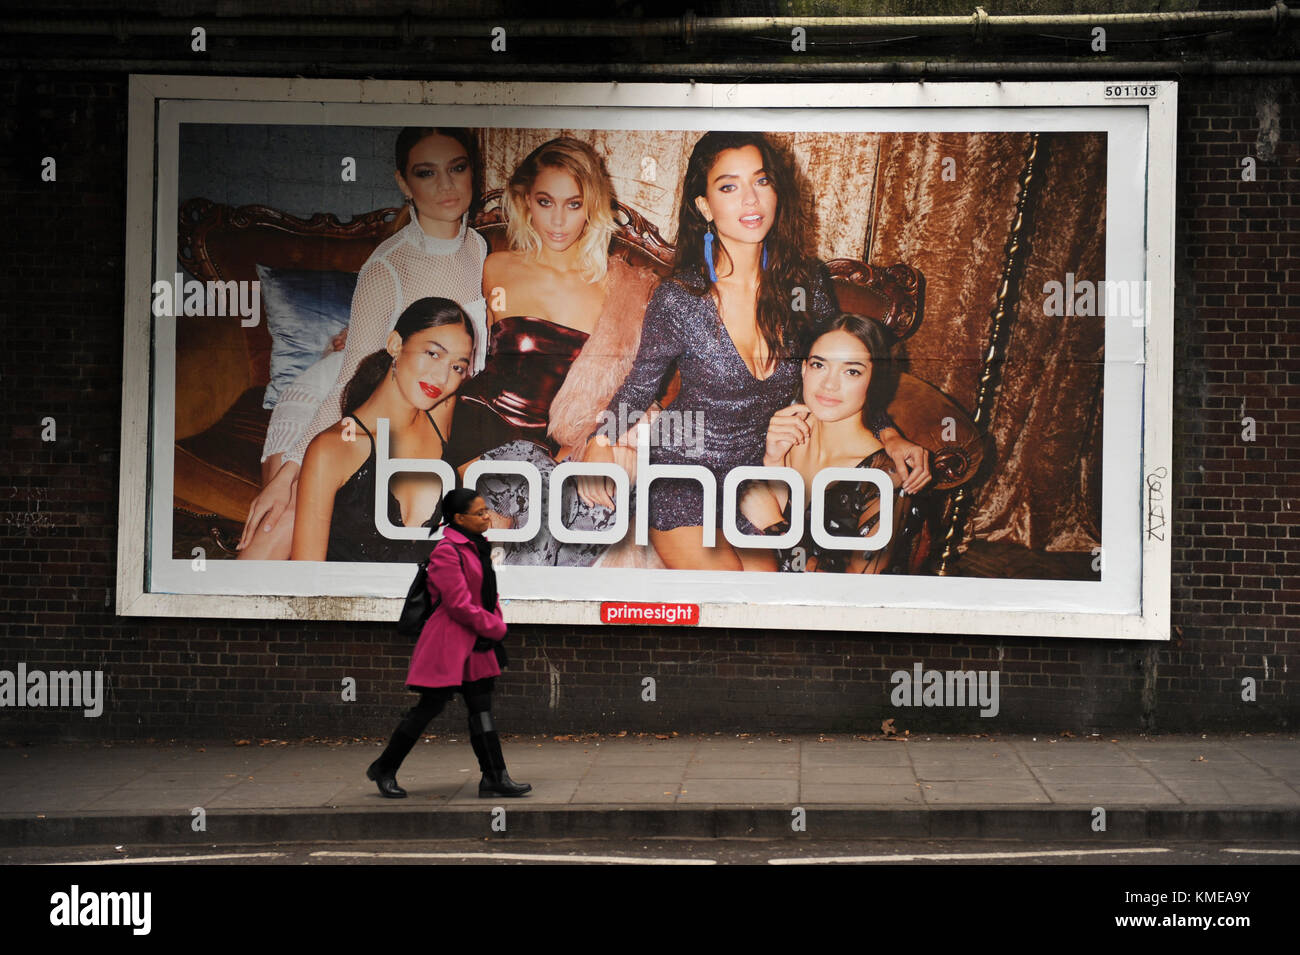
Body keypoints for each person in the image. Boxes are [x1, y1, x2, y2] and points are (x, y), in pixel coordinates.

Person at [578, 130, 931, 571]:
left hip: (758, 478)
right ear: (704, 205)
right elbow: (639, 383)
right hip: (684, 473)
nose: (751, 200)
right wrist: (600, 440)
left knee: (767, 589)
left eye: (761, 182)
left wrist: (890, 435)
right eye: (729, 186)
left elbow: (839, 372)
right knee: (725, 586)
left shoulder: (805, 284)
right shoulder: (680, 298)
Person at [238, 126, 490, 560]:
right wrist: (287, 475)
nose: (447, 186)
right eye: (427, 173)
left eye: (457, 168)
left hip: (412, 395)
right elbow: (347, 380)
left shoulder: (479, 248)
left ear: (473, 172)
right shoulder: (388, 265)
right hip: (334, 391)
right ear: (403, 184)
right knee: (288, 515)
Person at [453, 136, 663, 566]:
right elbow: (453, 345)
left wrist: (599, 442)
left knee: (591, 510)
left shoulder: (621, 287)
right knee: (525, 492)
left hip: (563, 450)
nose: (559, 221)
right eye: (546, 201)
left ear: (592, 206)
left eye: (574, 204)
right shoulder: (496, 267)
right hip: (481, 431)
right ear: (525, 199)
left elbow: (636, 389)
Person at [290, 297, 514, 561]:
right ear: (395, 344)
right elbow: (306, 579)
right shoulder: (332, 450)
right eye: (432, 354)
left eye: (456, 367)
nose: (441, 378)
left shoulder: (443, 413)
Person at [366, 488, 531, 799]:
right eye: (480, 513)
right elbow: (457, 603)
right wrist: (494, 625)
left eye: (486, 511)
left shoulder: (476, 546)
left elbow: (486, 593)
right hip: (448, 644)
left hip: (476, 643)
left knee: (481, 710)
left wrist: (493, 617)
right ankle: (384, 768)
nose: (487, 517)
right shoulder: (447, 551)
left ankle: (495, 776)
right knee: (428, 708)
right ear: (459, 518)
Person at [743, 313, 920, 573]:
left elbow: (854, 594)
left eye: (851, 371)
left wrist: (774, 526)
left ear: (874, 380)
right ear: (803, 368)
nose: (829, 384)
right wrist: (773, 463)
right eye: (819, 365)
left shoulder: (884, 479)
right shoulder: (788, 432)